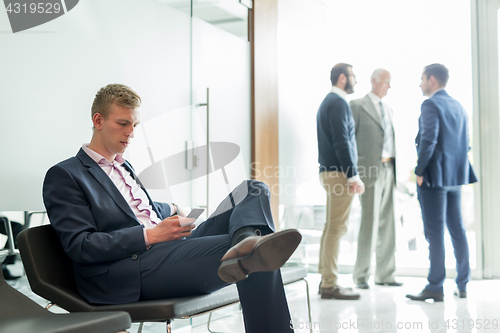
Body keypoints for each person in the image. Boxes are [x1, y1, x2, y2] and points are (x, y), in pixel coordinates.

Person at [42, 84, 302, 333]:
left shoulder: (124, 167)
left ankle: (246, 240)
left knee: (253, 188)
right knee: (256, 252)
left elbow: (138, 209)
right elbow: (81, 246)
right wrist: (151, 236)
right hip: (133, 267)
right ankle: (248, 245)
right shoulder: (66, 175)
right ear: (98, 121)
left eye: (135, 125)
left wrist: (176, 208)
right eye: (123, 123)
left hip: (169, 248)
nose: (131, 132)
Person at [406, 64, 477, 302]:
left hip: (434, 178)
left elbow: (429, 139)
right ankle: (463, 283)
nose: (420, 84)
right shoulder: (458, 106)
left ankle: (435, 286)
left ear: (432, 80)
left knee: (434, 232)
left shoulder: (430, 104)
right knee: (457, 230)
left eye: (422, 79)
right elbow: (465, 142)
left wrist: (419, 169)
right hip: (455, 177)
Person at [316, 63, 365, 300]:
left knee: (331, 228)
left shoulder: (329, 102)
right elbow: (342, 141)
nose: (356, 80)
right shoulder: (338, 103)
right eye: (354, 76)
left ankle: (326, 278)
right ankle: (329, 283)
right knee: (336, 229)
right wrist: (353, 175)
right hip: (338, 174)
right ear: (343, 78)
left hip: (330, 172)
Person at [350, 69, 402, 289]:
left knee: (388, 223)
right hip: (369, 169)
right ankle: (361, 276)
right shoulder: (358, 105)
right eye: (386, 82)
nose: (389, 86)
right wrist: (353, 172)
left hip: (389, 168)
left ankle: (385, 274)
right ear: (374, 81)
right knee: (369, 222)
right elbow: (349, 139)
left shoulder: (388, 109)